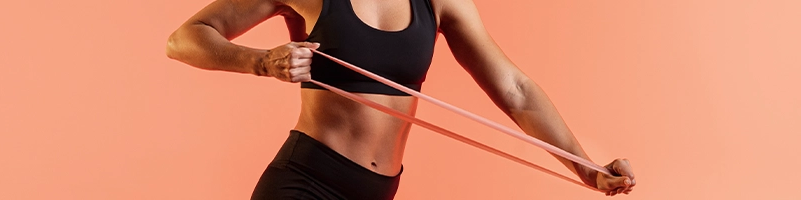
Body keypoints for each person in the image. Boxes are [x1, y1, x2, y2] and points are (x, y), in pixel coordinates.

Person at [165, 0, 637, 198]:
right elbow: (184, 39)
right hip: (307, 182)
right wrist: (261, 61)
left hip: (377, 192)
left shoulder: (436, 1)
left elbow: (515, 89)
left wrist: (587, 169)